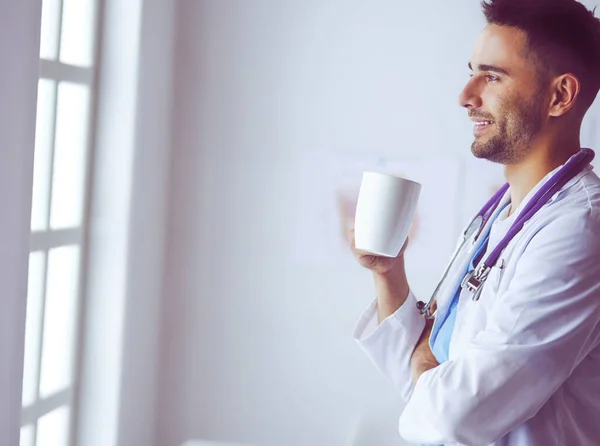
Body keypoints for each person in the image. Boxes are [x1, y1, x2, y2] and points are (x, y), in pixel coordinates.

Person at [348, 1, 600, 445]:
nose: (466, 96)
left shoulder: (579, 231)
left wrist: (428, 368)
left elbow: (452, 416)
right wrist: (388, 273)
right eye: (472, 71)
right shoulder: (499, 218)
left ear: (559, 96)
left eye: (492, 75)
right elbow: (422, 390)